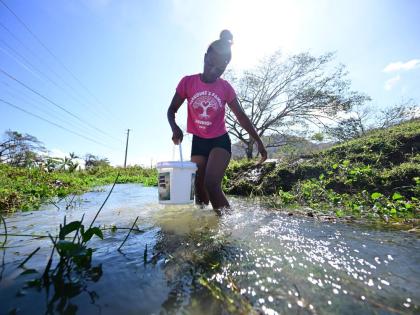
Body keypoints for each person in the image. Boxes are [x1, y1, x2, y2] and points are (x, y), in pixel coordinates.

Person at [167, 30, 267, 211]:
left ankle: (228, 231)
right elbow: (171, 110)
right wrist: (175, 128)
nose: (214, 71)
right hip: (198, 141)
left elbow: (241, 116)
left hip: (219, 140)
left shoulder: (225, 87)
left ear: (226, 67)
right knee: (199, 189)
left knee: (211, 184)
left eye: (220, 69)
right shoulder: (187, 83)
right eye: (211, 64)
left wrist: (258, 141)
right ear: (205, 57)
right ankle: (203, 228)